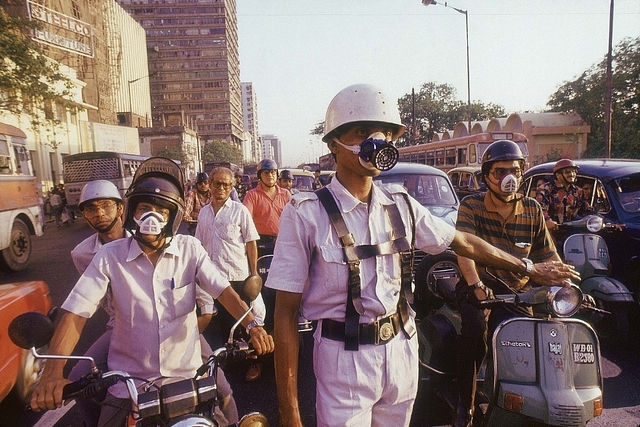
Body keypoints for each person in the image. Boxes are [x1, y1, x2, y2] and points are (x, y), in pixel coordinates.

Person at [265, 83, 579, 427]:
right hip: (343, 361)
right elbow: (285, 314)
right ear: (334, 144)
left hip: (401, 349)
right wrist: (289, 411)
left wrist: (528, 267)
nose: (375, 142)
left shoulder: (400, 205)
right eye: (361, 132)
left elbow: (463, 242)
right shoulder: (305, 213)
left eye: (383, 134)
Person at [31, 158, 274, 427]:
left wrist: (253, 325)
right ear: (133, 213)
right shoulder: (109, 256)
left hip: (188, 373)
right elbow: (77, 312)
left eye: (161, 211)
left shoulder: (189, 249)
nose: (151, 217)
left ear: (173, 216)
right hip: (129, 384)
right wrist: (52, 373)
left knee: (226, 402)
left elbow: (223, 290)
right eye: (144, 208)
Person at [453, 140, 570, 427]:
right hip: (479, 289)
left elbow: (549, 255)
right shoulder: (471, 205)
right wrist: (476, 285)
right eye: (501, 171)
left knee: (537, 340)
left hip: (520, 293)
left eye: (516, 171)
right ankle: (464, 406)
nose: (510, 178)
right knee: (476, 336)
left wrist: (566, 284)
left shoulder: (532, 209)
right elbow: (465, 251)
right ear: (486, 176)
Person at [195, 167, 266, 382]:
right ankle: (229, 358)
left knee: (247, 322)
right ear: (209, 184)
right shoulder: (204, 213)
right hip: (213, 278)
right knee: (225, 322)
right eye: (217, 184)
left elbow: (251, 242)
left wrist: (253, 274)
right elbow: (198, 244)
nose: (221, 188)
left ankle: (255, 360)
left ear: (232, 186)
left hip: (237, 274)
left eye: (226, 185)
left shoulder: (239, 210)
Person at [242, 159, 291, 257]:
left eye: (273, 172)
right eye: (266, 173)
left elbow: (293, 218)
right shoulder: (252, 195)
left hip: (283, 242)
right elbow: (245, 220)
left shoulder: (286, 194)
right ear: (260, 175)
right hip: (261, 244)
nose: (270, 175)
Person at [535, 158, 591, 231]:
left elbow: (587, 209)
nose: (572, 174)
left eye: (574, 171)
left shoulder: (579, 191)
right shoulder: (545, 189)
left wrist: (595, 218)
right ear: (558, 175)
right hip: (551, 231)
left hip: (573, 232)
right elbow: (539, 208)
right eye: (567, 172)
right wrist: (547, 220)